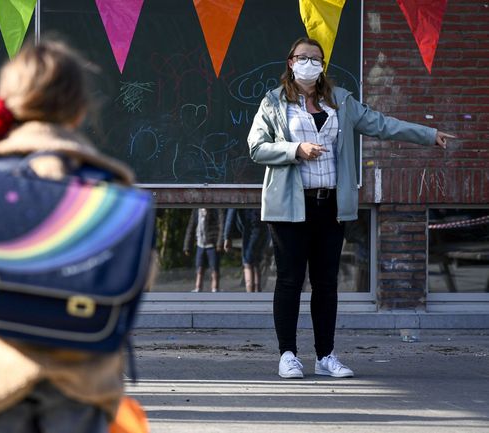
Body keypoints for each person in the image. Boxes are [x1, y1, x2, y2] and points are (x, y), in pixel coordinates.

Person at [0, 41, 144, 433]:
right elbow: (135, 282)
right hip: (82, 380)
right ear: (80, 110)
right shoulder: (112, 189)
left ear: (8, 102)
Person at [248, 37, 453, 379]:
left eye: (316, 59)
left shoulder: (340, 102)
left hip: (330, 207)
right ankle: (287, 355)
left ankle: (325, 356)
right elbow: (257, 147)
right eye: (303, 58)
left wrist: (428, 134)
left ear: (323, 65)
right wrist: (295, 149)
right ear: (290, 61)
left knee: (326, 283)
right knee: (289, 281)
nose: (309, 64)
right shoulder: (273, 103)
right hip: (289, 207)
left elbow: (382, 124)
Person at [223, 209, 270, 292]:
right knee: (256, 262)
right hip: (264, 224)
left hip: (251, 225)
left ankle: (250, 295)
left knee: (248, 263)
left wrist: (227, 237)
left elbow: (231, 213)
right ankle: (257, 293)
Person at [183, 208, 224, 292]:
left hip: (212, 244)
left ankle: (215, 288)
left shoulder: (215, 210)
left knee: (214, 268)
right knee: (199, 267)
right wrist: (187, 246)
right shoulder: (196, 211)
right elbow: (191, 228)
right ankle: (198, 287)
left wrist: (219, 242)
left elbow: (221, 225)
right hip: (200, 244)